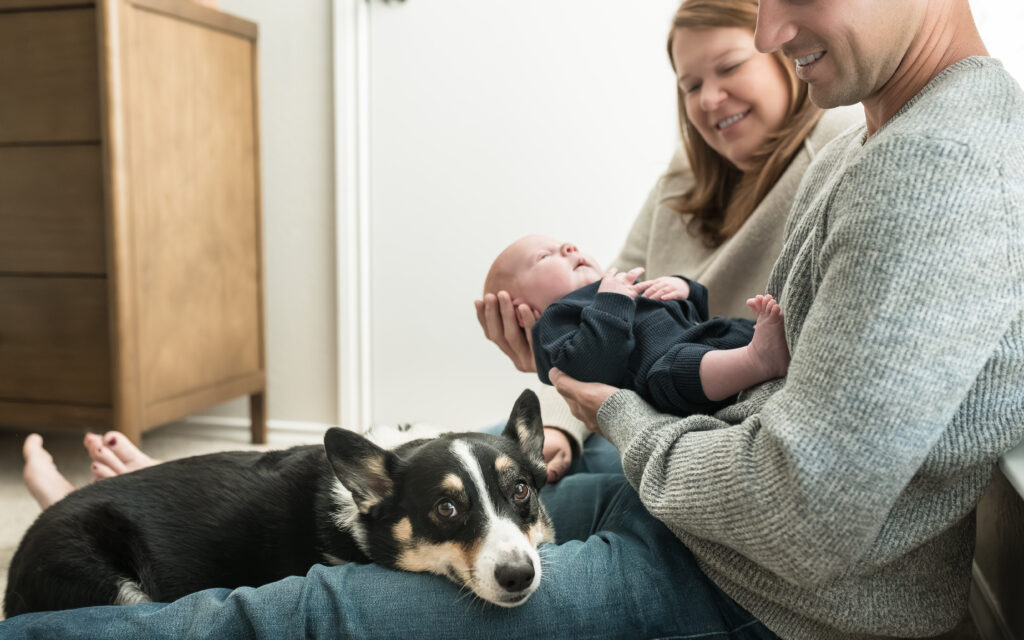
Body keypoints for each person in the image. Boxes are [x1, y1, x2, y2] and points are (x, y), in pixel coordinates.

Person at [476, 0, 859, 480]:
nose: (709, 99)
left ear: (784, 50)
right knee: (454, 460)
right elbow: (600, 303)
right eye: (691, 85)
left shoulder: (840, 148)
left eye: (730, 67)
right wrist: (558, 422)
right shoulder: (681, 183)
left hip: (702, 449)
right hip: (621, 422)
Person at [484, 234, 789, 417]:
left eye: (565, 245)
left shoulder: (616, 287)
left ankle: (769, 348)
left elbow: (691, 314)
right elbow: (590, 370)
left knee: (733, 326)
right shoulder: (557, 322)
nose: (568, 247)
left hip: (703, 337)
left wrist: (684, 288)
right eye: (544, 256)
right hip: (666, 379)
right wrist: (611, 303)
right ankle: (757, 360)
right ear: (523, 308)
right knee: (679, 368)